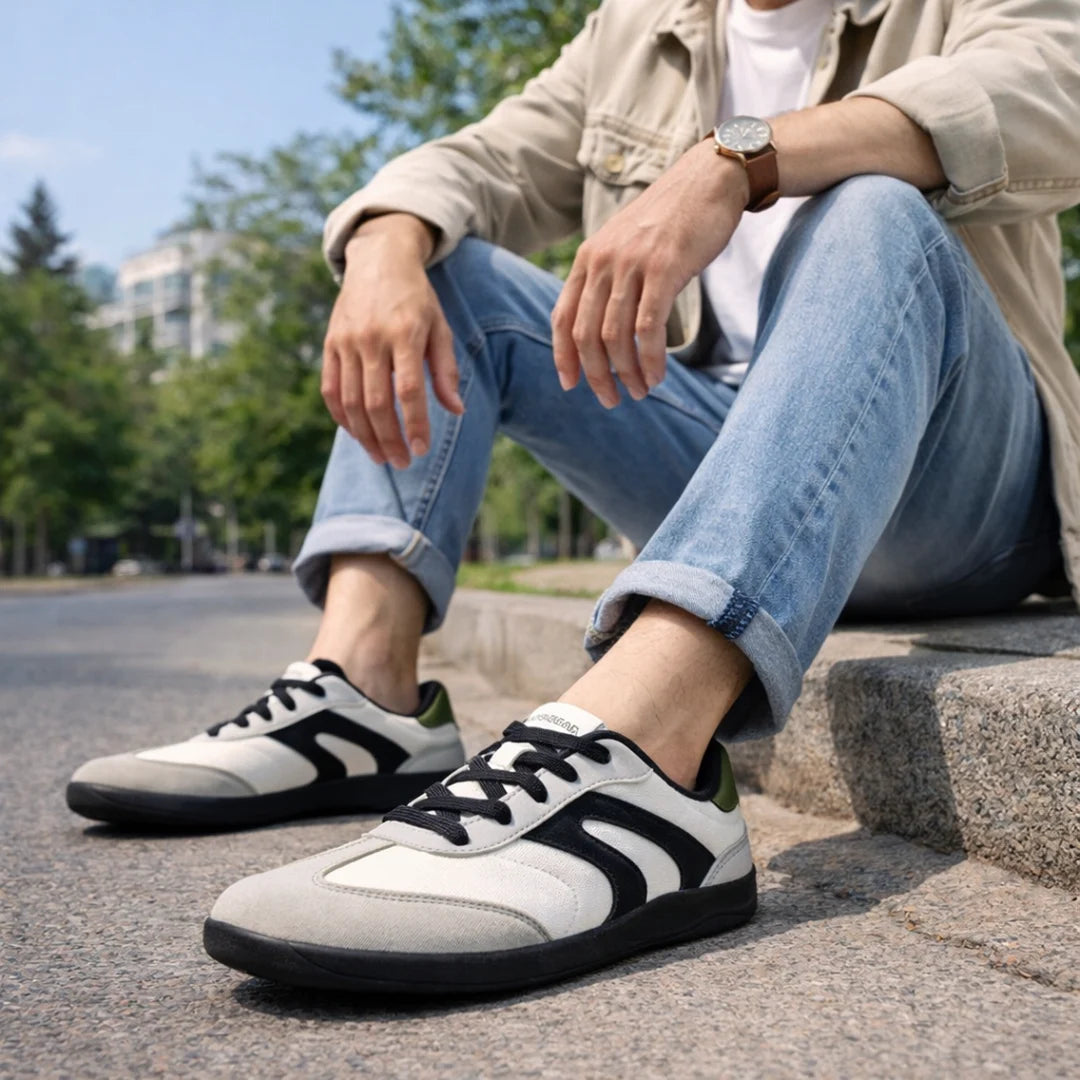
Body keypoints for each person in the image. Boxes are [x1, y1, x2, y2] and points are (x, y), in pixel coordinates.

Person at [71, 0, 1080, 995]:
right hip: (732, 463)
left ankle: (646, 755)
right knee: (446, 268)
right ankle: (364, 696)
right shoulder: (640, 28)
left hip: (955, 492)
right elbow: (485, 159)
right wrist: (383, 244)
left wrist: (736, 158)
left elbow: (1051, 84)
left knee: (873, 209)